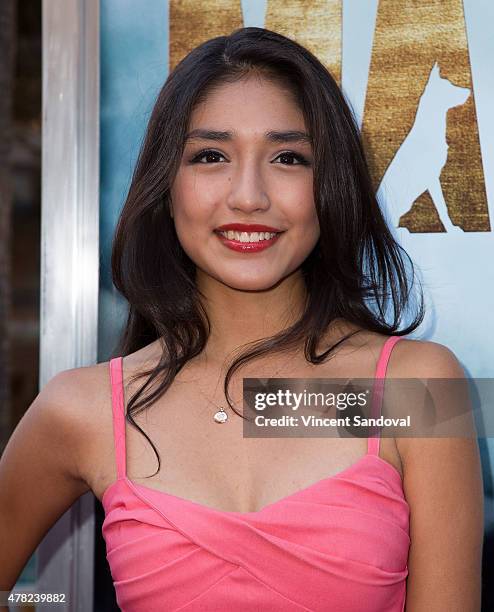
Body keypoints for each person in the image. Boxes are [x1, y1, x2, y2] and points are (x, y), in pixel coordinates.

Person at [0, 27, 483, 611]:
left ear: (327, 184)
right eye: (211, 156)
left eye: (287, 157)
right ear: (166, 183)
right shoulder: (82, 411)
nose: (248, 195)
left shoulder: (416, 388)